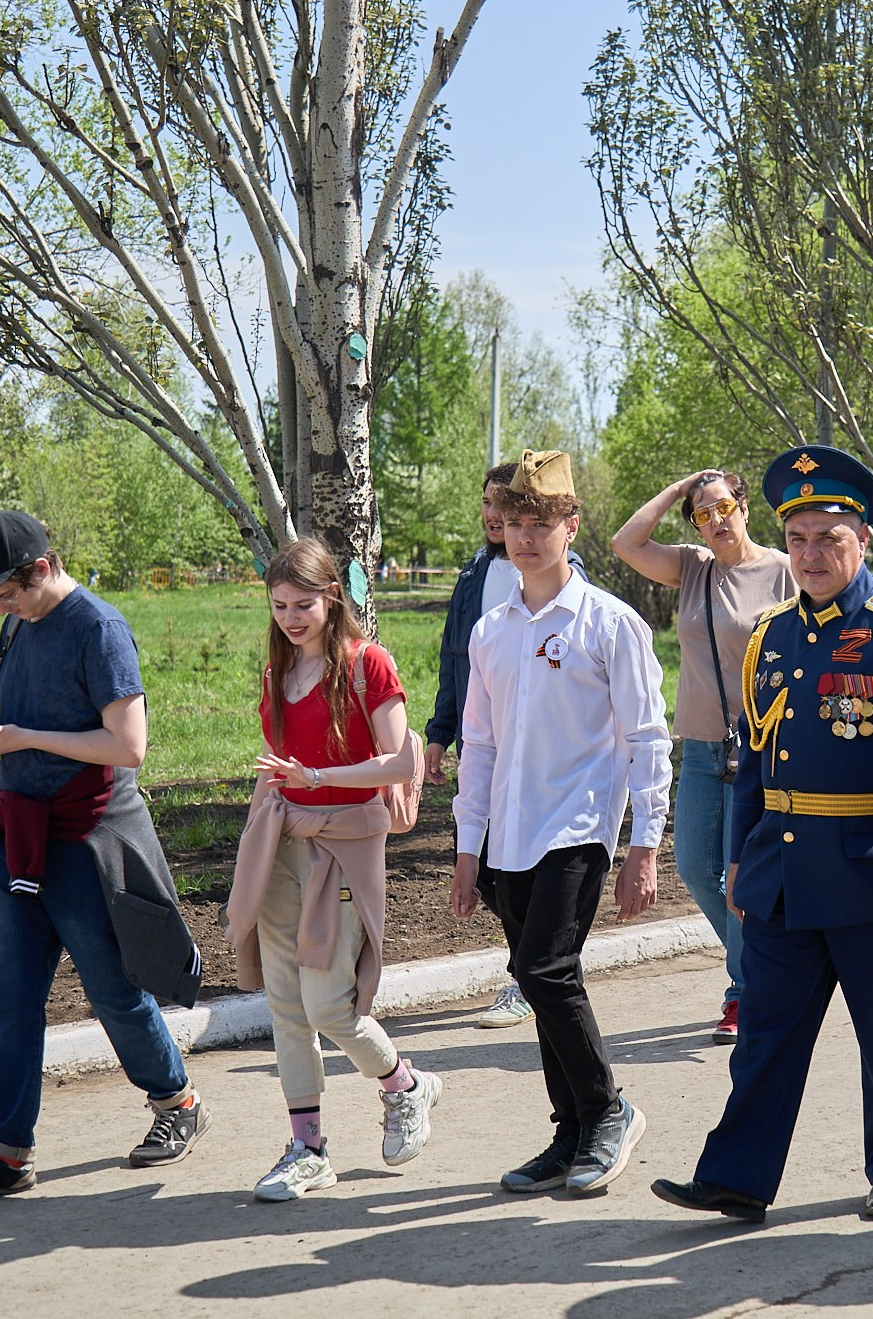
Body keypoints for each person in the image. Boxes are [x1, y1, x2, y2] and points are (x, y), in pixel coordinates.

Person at [650, 443, 873, 1225]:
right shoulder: (773, 636)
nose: (811, 555)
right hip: (782, 872)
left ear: (863, 539)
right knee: (765, 1028)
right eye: (797, 539)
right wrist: (738, 857)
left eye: (829, 537)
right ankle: (736, 1175)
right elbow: (754, 755)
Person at [0, 512, 207, 1204]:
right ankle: (7, 1152)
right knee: (9, 998)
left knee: (115, 991)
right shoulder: (17, 623)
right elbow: (27, 712)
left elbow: (128, 745)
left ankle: (178, 1104)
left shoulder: (99, 629)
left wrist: (21, 735)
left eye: (5, 591)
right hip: (18, 840)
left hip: (87, 843)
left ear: (42, 567)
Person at [450, 449, 671, 1196]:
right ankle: (570, 1130)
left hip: (577, 827)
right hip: (509, 832)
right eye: (512, 523)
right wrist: (466, 845)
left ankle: (608, 1109)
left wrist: (645, 842)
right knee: (541, 977)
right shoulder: (493, 630)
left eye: (541, 522)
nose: (524, 536)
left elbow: (646, 737)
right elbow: (478, 743)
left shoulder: (611, 624)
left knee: (544, 970)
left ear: (571, 526)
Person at [224, 540, 440, 1202]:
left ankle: (405, 1083)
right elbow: (277, 756)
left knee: (330, 1005)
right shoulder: (277, 672)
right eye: (280, 604)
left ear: (332, 599)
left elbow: (400, 763)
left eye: (305, 603)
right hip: (283, 843)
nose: (292, 616)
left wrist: (317, 777)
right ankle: (308, 1149)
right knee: (286, 1006)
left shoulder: (369, 664)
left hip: (346, 845)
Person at [611, 468, 797, 1044]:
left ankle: (743, 992)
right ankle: (769, 964)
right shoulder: (693, 568)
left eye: (723, 508)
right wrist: (679, 488)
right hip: (699, 745)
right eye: (703, 513)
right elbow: (626, 543)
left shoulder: (784, 571)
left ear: (744, 508)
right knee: (694, 867)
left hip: (764, 747)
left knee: (742, 876)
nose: (715, 521)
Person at [424, 461, 586, 1031]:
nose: (499, 518)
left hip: (550, 763)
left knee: (535, 869)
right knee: (488, 867)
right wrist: (439, 734)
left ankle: (531, 971)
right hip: (484, 743)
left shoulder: (567, 578)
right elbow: (455, 660)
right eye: (492, 507)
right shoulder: (474, 576)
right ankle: (543, 959)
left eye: (511, 508)